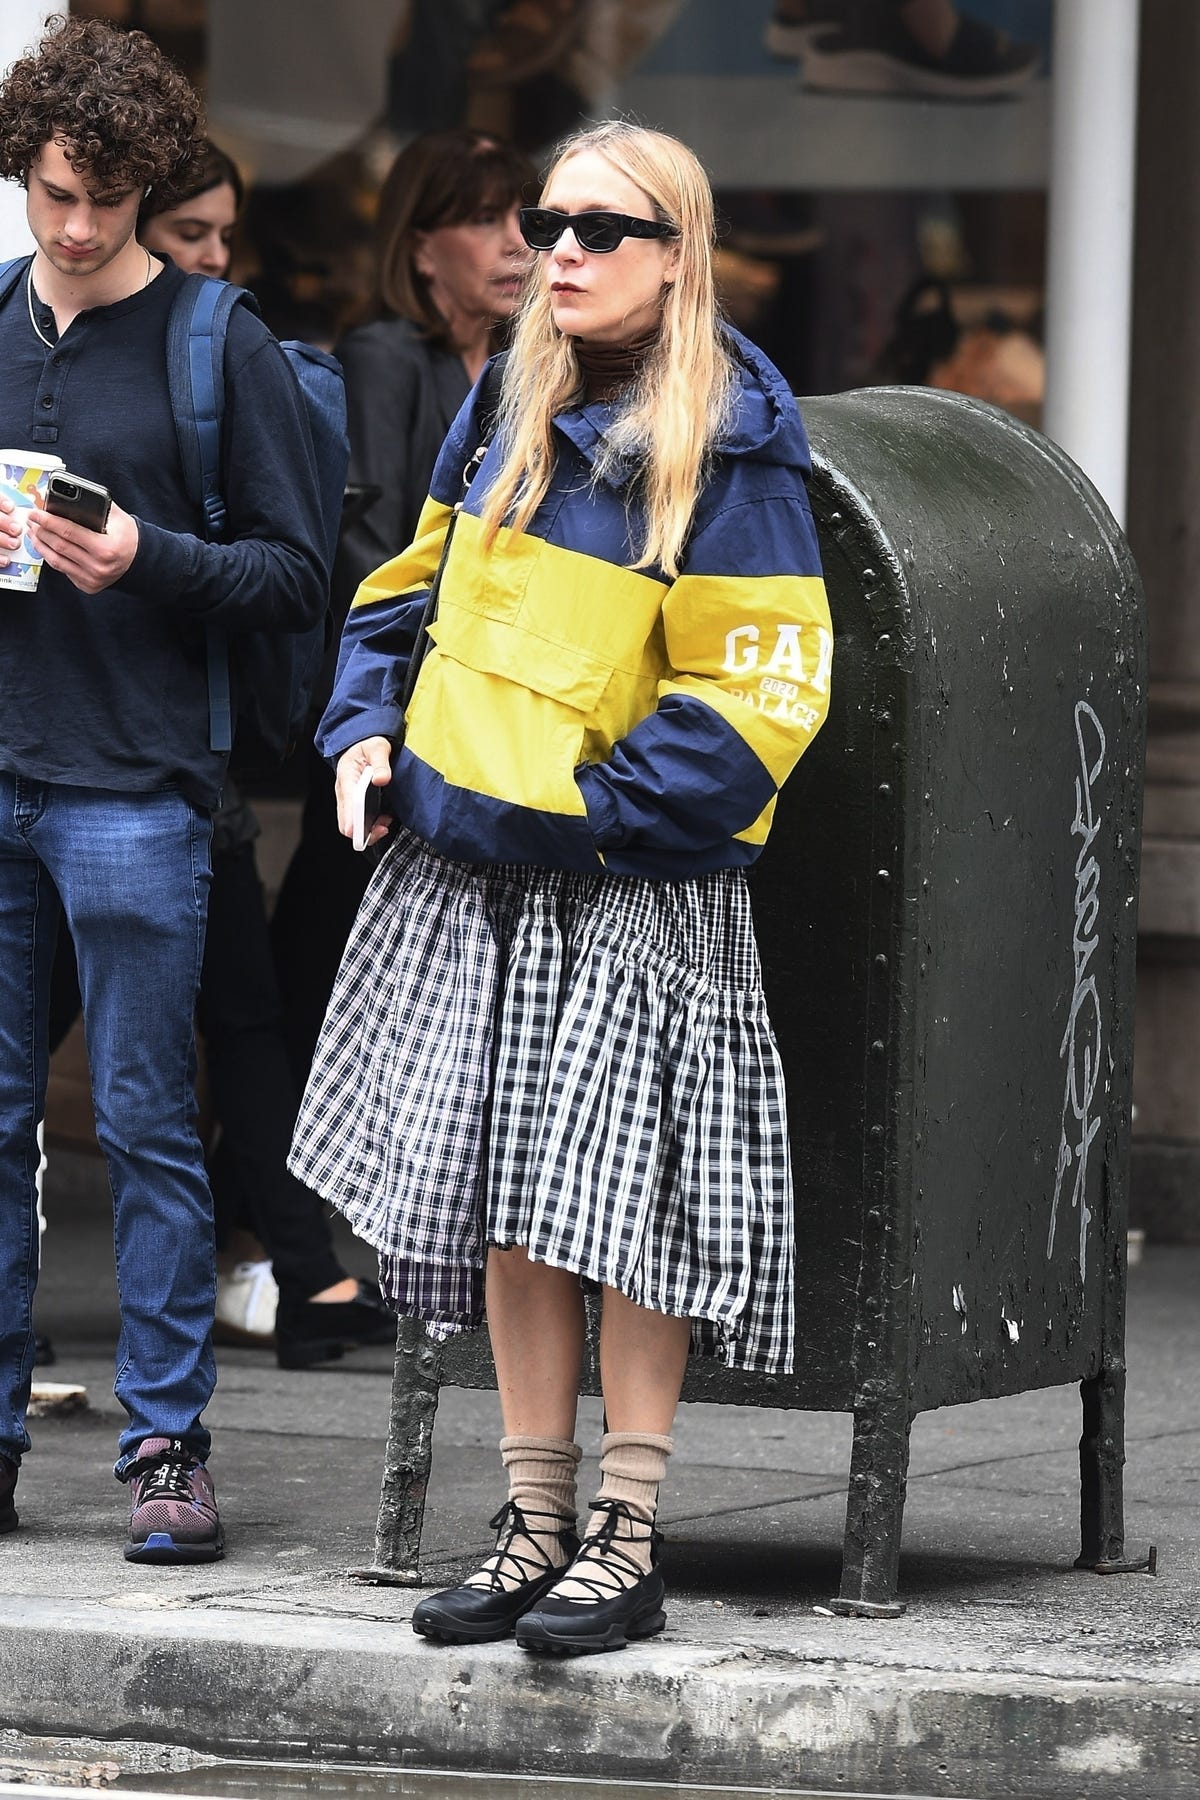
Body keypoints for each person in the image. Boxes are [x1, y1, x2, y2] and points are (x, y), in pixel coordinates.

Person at [289, 121, 833, 1653]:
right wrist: (361, 734)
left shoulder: (730, 432)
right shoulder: (507, 399)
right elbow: (402, 593)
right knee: (521, 1210)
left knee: (630, 1218)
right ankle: (534, 1522)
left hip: (627, 888)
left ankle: (627, 1535)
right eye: (550, 221)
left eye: (606, 228)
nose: (564, 250)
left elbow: (769, 684)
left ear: (680, 255)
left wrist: (595, 813)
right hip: (476, 876)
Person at [0, 17, 326, 1559]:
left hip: (139, 786)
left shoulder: (217, 342)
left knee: (143, 1122)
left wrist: (150, 556)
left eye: (109, 201)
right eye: (58, 193)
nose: (78, 229)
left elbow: (293, 575)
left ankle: (164, 1450)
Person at [135, 143, 396, 1371]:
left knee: (238, 1010)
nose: (214, 257)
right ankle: (296, 1269)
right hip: (93, 751)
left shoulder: (225, 351)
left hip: (197, 749)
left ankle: (295, 1270)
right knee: (204, 1020)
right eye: (190, 231)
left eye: (223, 232)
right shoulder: (104, 344)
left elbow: (293, 570)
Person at [271, 128, 535, 1093]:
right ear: (419, 247)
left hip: (474, 720)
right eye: (480, 219)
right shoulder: (385, 354)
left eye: (522, 216)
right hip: (384, 713)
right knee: (327, 943)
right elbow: (372, 549)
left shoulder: (522, 370)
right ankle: (271, 1218)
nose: (517, 241)